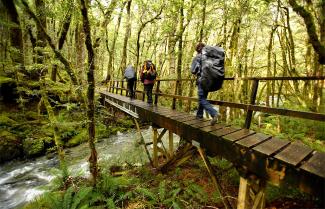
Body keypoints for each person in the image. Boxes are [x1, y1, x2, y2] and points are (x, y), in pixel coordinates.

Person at [191, 43, 218, 125]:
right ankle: (199, 115)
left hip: (202, 80)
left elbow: (193, 70)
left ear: (197, 49)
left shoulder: (198, 57)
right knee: (203, 98)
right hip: (210, 81)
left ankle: (214, 113)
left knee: (201, 99)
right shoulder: (210, 57)